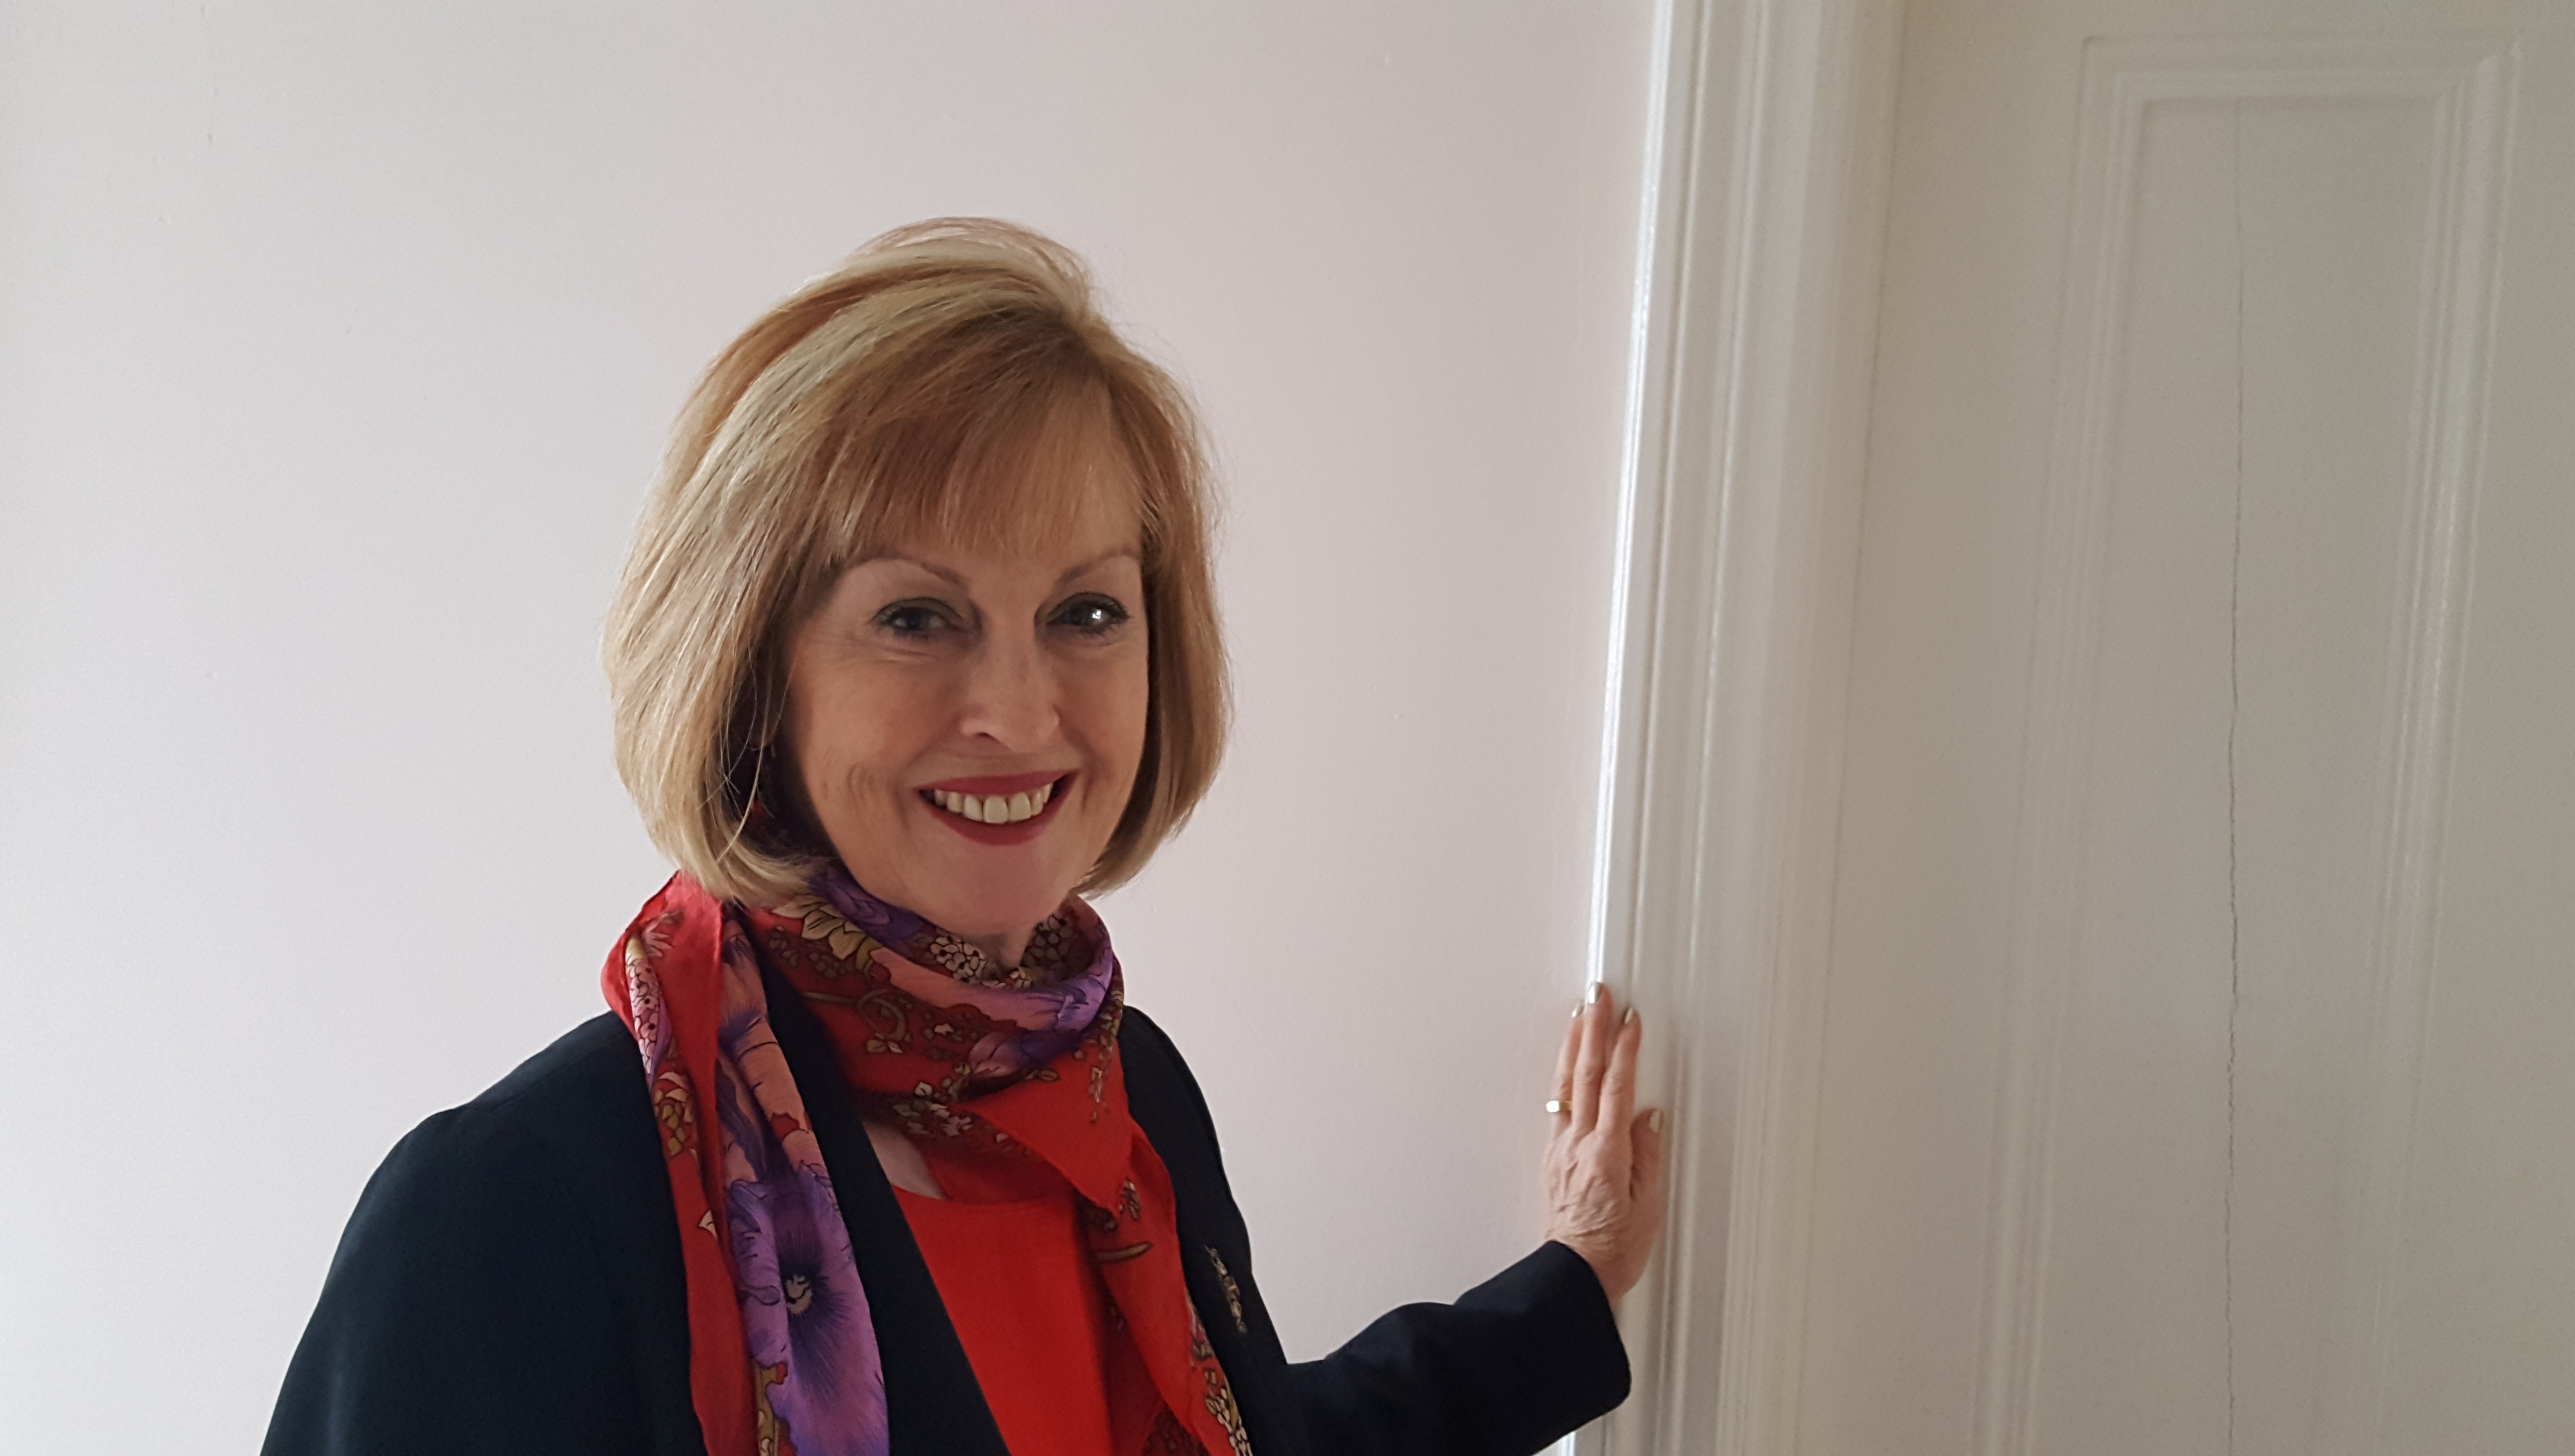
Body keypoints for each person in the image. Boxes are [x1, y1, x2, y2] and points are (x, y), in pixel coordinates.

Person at [262, 219, 1665, 1456]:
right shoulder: (516, 1215)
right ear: (756, 671)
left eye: (1086, 612)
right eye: (916, 617)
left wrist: (1572, 1282)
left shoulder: (1127, 1100)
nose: (1018, 709)